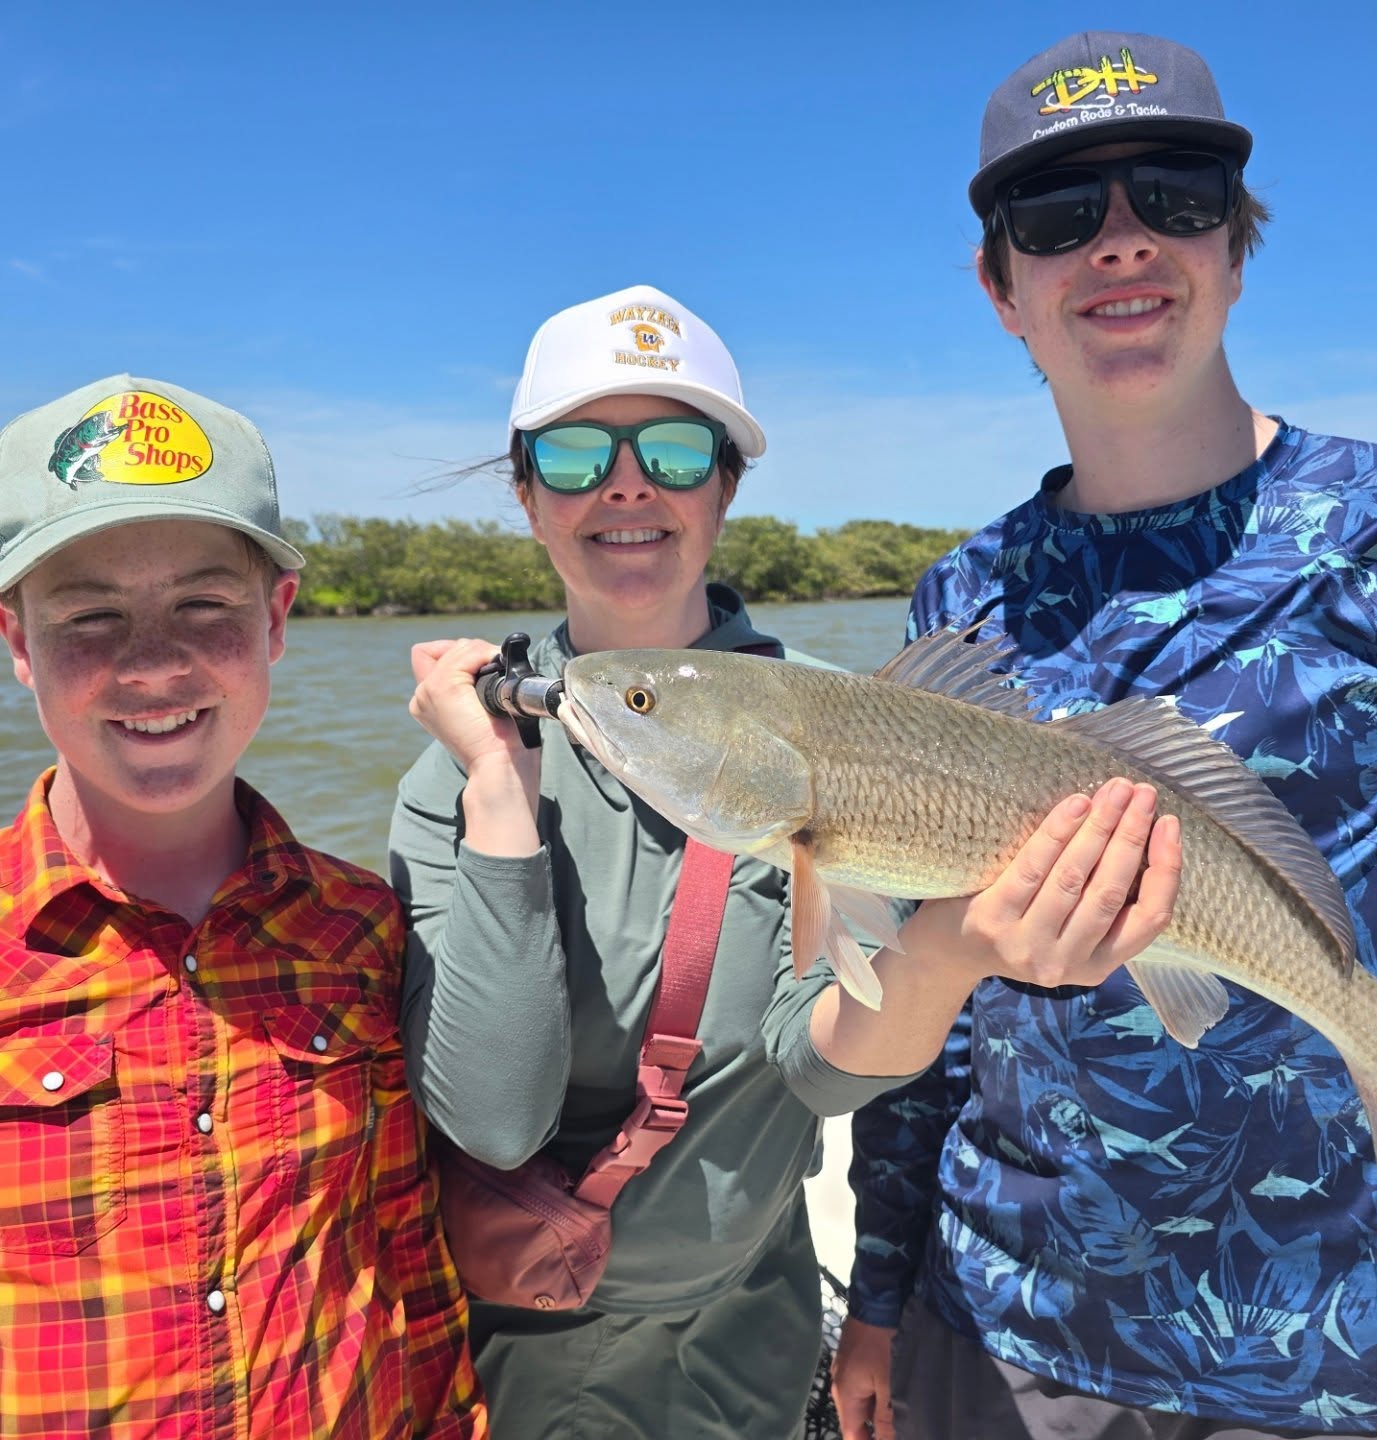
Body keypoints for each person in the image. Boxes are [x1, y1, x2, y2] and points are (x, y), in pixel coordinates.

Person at [389, 282, 1179, 1438]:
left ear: (725, 485)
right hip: (521, 1349)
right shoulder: (449, 774)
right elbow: (495, 1123)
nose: (626, 484)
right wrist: (500, 797)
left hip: (750, 1342)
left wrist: (952, 950)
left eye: (672, 446)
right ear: (523, 491)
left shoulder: (849, 726)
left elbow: (825, 1072)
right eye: (572, 453)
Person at [834, 29, 1377, 1440]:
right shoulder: (962, 599)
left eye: (1172, 197)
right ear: (1002, 291)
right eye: (1056, 218)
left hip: (1343, 1351)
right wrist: (876, 1296)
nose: (1119, 244)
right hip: (1016, 1335)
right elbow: (925, 1016)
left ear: (1235, 247)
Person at [0, 375, 487, 1439]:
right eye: (89, 617)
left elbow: (409, 1262)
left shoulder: (361, 927)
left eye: (204, 605)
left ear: (274, 619)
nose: (155, 661)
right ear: (18, 641)